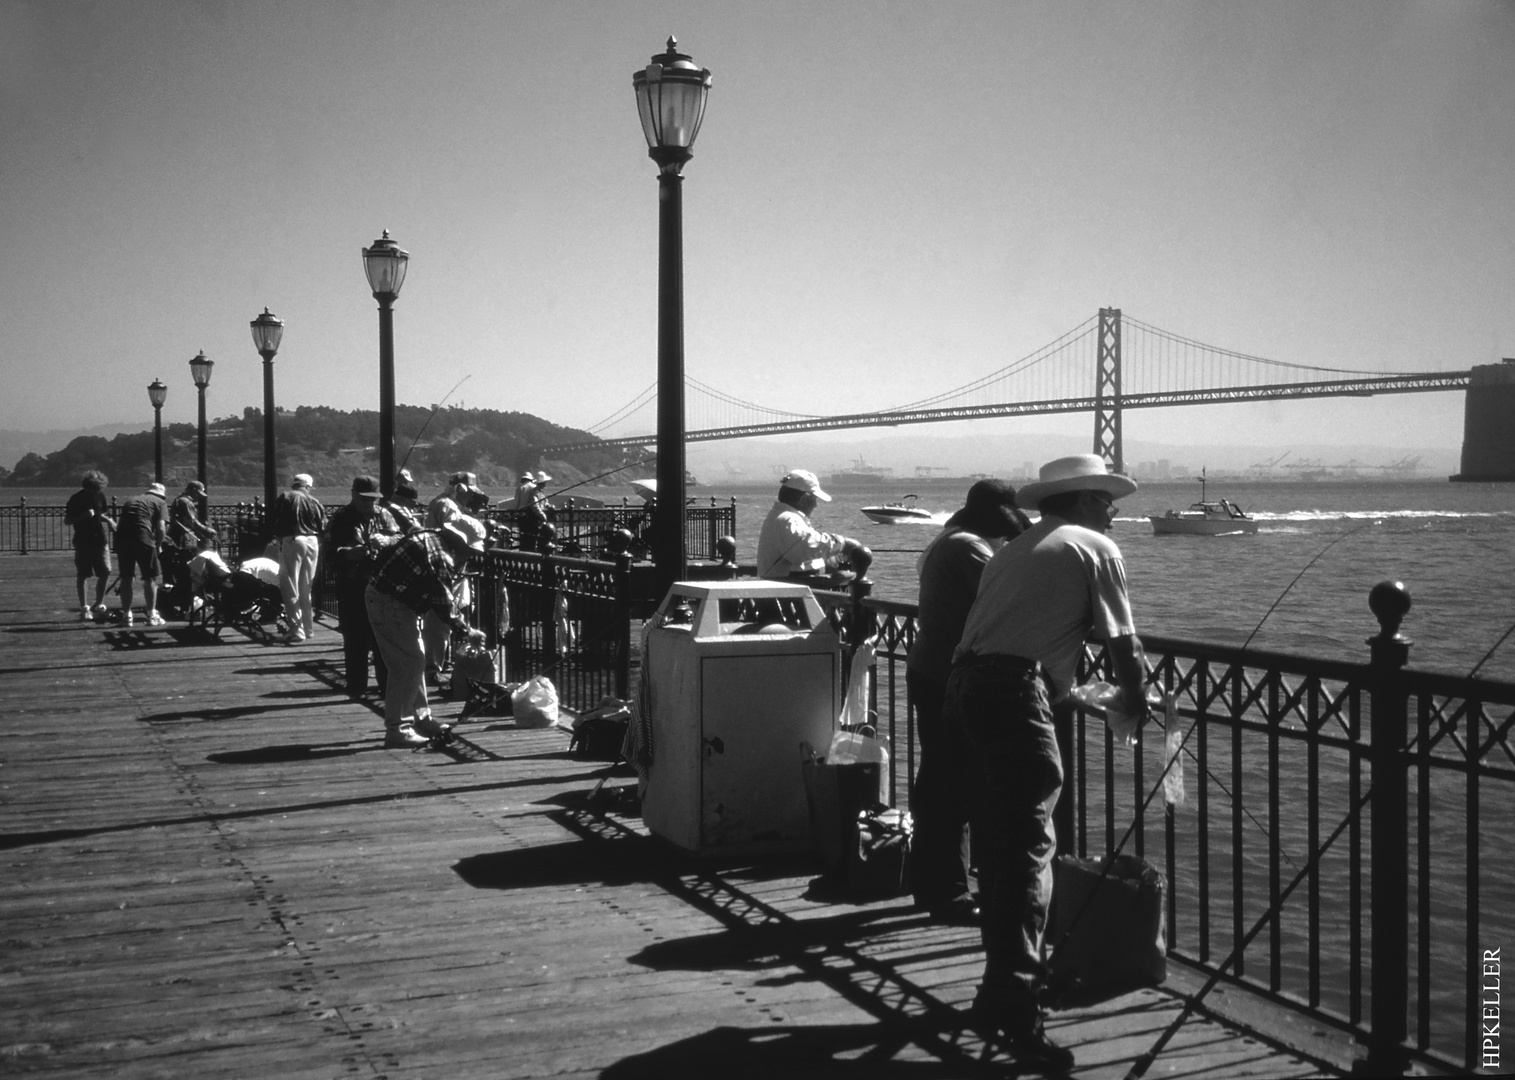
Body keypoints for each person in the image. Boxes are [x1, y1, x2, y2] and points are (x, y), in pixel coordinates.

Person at [944, 454, 1151, 1072]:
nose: (1115, 513)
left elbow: (1029, 626)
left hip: (964, 688)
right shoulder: (1094, 547)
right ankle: (1016, 1001)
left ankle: (997, 989)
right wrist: (1135, 703)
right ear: (1085, 501)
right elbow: (1125, 645)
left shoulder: (1016, 547)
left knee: (1000, 844)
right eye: (1108, 501)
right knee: (1029, 845)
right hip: (1012, 692)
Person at [906, 479, 1032, 924]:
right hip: (948, 677)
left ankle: (931, 883)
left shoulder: (949, 541)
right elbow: (1011, 598)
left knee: (939, 779)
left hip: (929, 671)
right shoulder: (970, 550)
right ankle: (949, 893)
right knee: (955, 785)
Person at [364, 515, 489, 747]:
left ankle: (421, 719)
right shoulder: (440, 555)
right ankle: (398, 729)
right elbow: (444, 603)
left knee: (415, 661)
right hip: (390, 603)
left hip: (391, 601)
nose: (470, 555)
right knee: (407, 665)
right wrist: (467, 630)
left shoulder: (431, 537)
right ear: (459, 541)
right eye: (469, 550)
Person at [326, 476, 401, 698]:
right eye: (363, 499)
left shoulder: (384, 515)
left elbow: (400, 537)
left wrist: (387, 541)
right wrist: (348, 554)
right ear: (353, 495)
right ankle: (356, 686)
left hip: (380, 586)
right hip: (352, 586)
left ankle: (387, 687)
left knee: (383, 639)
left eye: (372, 500)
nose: (368, 504)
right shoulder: (340, 518)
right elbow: (328, 552)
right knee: (355, 638)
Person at [755, 469, 867, 580]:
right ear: (804, 499)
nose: (815, 505)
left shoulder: (780, 517)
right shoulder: (787, 520)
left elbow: (798, 553)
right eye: (814, 499)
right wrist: (843, 544)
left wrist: (831, 561)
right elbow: (805, 547)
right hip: (785, 593)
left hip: (783, 589)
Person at [271, 473, 326, 643]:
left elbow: (276, 520)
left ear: (294, 484)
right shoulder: (315, 502)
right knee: (305, 587)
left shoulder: (286, 497)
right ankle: (308, 629)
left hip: (293, 539)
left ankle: (296, 631)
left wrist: (277, 538)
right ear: (308, 487)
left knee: (290, 586)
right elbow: (323, 525)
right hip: (313, 541)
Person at [114, 482, 169, 627]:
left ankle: (126, 616)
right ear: (161, 495)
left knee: (126, 577)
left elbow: (120, 524)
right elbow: (161, 528)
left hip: (123, 540)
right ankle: (151, 615)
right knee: (150, 577)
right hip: (143, 538)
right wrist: (157, 546)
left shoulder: (131, 501)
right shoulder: (160, 502)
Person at [64, 470, 115, 621]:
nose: (97, 492)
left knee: (106, 570)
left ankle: (99, 603)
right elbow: (67, 520)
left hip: (100, 539)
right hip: (83, 540)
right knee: (84, 573)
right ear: (87, 486)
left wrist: (110, 521)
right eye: (95, 489)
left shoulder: (100, 496)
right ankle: (84, 607)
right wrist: (83, 516)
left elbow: (100, 514)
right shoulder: (76, 499)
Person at [165, 481, 217, 615]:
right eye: (197, 493)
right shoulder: (186, 503)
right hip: (185, 542)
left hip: (177, 540)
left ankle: (180, 603)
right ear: (192, 490)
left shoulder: (178, 500)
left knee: (181, 574)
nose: (198, 497)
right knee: (187, 574)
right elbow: (192, 521)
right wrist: (207, 530)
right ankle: (185, 604)